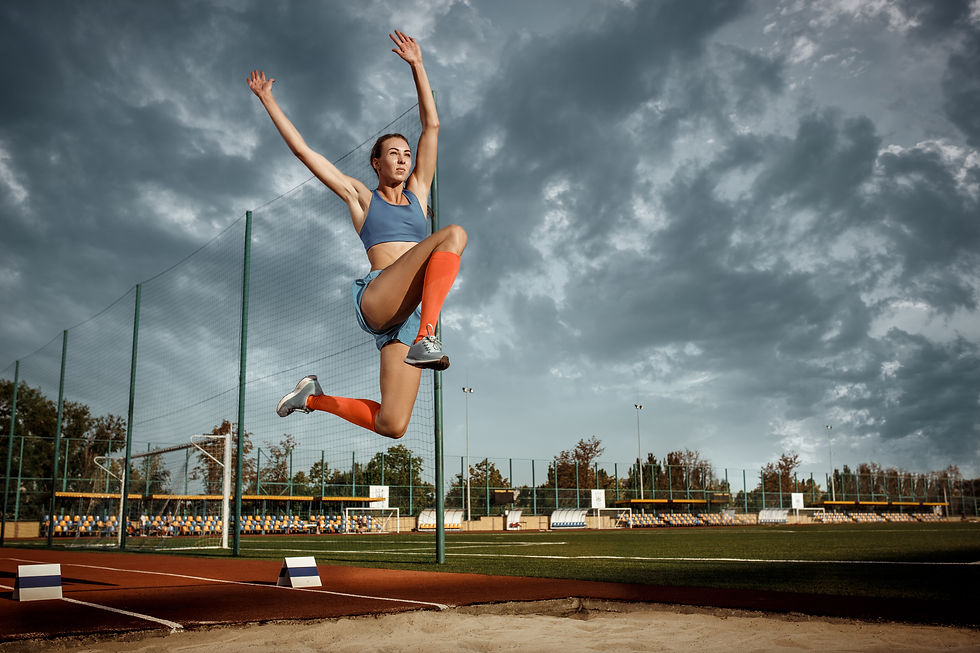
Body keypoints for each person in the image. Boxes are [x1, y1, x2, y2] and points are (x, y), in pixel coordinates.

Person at [249, 31, 466, 439]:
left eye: (407, 154)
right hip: (379, 298)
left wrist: (418, 65)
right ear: (376, 163)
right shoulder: (361, 198)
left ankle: (309, 397)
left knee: (393, 424)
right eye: (393, 154)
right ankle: (427, 338)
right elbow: (304, 153)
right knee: (453, 234)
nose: (403, 160)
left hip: (409, 314)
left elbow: (431, 125)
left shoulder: (419, 194)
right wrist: (268, 100)